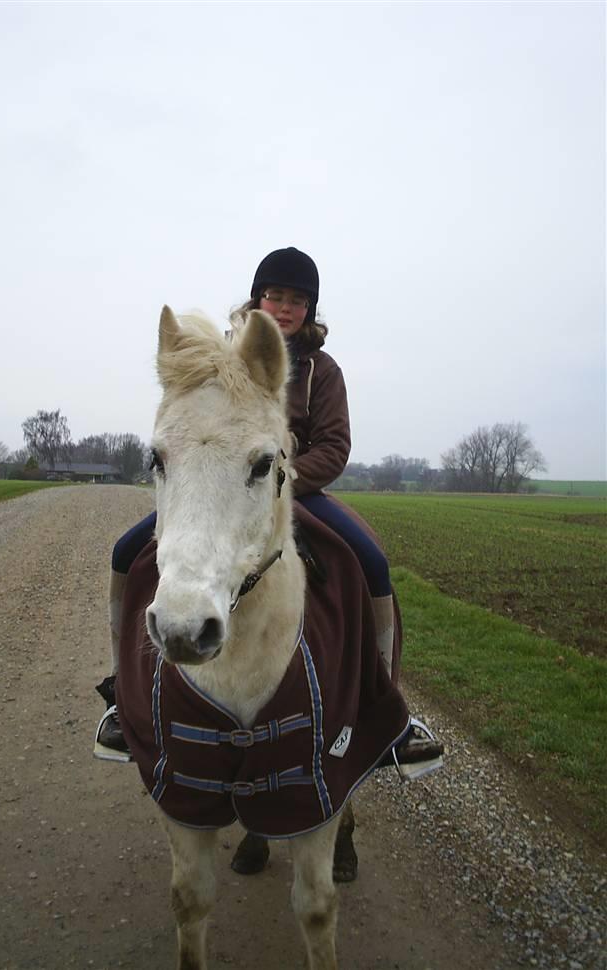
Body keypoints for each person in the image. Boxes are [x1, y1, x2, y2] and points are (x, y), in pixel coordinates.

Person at [93, 247, 443, 809]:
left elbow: (336, 445)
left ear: (310, 309)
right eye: (275, 296)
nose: (284, 307)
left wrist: (281, 479)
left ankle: (386, 706)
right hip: (228, 493)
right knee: (125, 553)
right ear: (257, 298)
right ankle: (119, 693)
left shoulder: (322, 372)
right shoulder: (220, 359)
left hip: (293, 490)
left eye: (297, 300)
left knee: (371, 563)